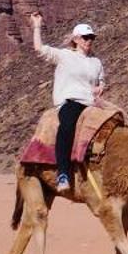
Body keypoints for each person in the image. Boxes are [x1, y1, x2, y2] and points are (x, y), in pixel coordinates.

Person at [30, 14, 106, 193]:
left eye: (92, 37)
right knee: (67, 127)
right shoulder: (64, 56)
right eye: (86, 37)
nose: (89, 41)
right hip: (71, 101)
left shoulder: (96, 62)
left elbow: (101, 81)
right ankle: (63, 174)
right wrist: (37, 26)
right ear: (76, 39)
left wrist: (100, 87)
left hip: (91, 104)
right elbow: (39, 49)